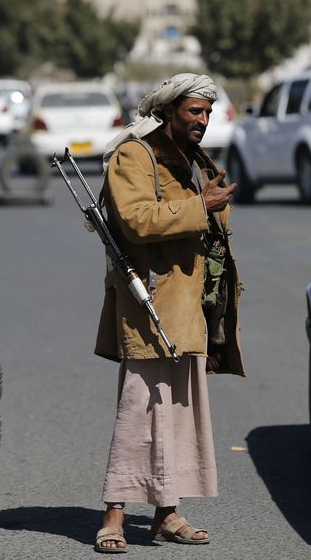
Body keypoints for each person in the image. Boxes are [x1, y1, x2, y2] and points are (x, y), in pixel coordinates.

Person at [92, 73, 246, 554]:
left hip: (188, 308)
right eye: (193, 111)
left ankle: (166, 513)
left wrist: (213, 204)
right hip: (150, 305)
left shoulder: (192, 159)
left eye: (207, 112)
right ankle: (114, 515)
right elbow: (137, 220)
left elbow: (207, 224)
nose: (202, 120)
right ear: (170, 110)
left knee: (179, 414)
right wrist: (203, 203)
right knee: (138, 412)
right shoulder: (134, 155)